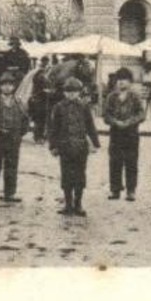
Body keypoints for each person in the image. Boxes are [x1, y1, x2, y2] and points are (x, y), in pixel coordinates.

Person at [49, 76, 100, 216]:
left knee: (79, 176)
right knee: (66, 176)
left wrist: (95, 143)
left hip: (81, 147)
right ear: (64, 92)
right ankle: (68, 204)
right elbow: (54, 128)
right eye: (68, 91)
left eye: (75, 91)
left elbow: (90, 126)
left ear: (79, 92)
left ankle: (78, 204)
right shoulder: (58, 108)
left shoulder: (84, 107)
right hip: (65, 146)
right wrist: (53, 146)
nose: (71, 94)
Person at [0, 72, 29, 205]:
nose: (7, 87)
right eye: (4, 85)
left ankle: (9, 193)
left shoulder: (19, 101)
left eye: (10, 85)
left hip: (13, 138)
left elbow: (25, 118)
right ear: (0, 87)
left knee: (12, 166)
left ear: (14, 86)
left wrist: (20, 133)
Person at [103, 67, 145, 201]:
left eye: (124, 80)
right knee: (115, 162)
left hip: (131, 134)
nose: (121, 83)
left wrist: (129, 122)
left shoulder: (135, 97)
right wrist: (115, 122)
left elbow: (141, 114)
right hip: (115, 134)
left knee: (131, 162)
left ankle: (131, 190)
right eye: (119, 80)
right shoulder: (111, 97)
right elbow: (106, 115)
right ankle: (115, 190)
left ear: (130, 82)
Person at [28, 57, 50, 143]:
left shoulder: (39, 73)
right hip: (39, 99)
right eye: (45, 62)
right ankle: (38, 137)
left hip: (41, 98)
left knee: (41, 119)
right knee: (40, 119)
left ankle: (39, 136)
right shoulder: (40, 74)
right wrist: (45, 89)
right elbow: (40, 85)